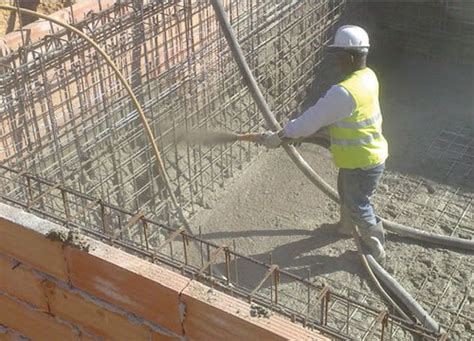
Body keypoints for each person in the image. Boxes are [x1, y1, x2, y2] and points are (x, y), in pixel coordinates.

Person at [261, 25, 388, 261]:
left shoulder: (344, 92)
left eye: (338, 56)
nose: (336, 62)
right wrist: (301, 134)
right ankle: (345, 227)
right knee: (346, 191)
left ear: (350, 57)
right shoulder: (368, 77)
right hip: (366, 155)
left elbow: (311, 120)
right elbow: (338, 121)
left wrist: (279, 137)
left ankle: (375, 245)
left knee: (358, 204)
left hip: (362, 161)